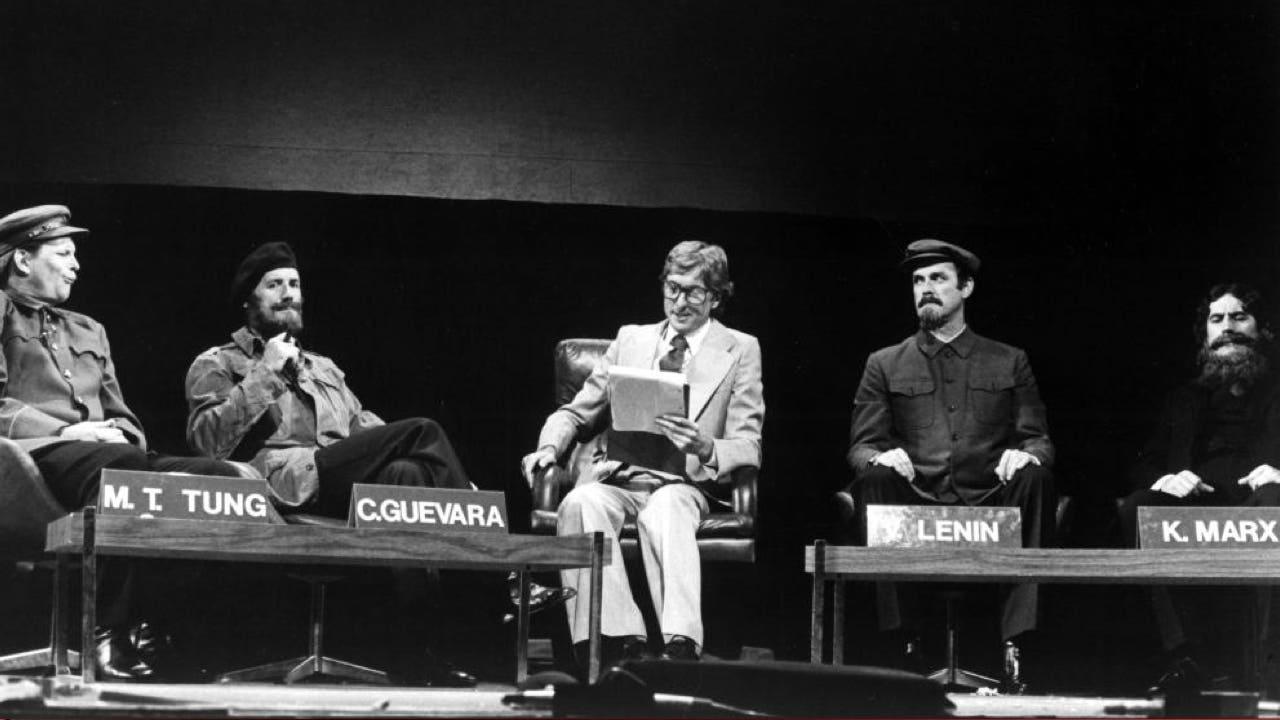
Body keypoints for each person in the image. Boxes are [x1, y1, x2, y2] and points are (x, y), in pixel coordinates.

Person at [184, 241, 479, 687]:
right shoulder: (218, 363)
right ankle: (488, 560)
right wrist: (265, 372)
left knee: (407, 474)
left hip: (340, 478)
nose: (288, 293)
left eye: (294, 284)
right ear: (249, 299)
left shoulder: (323, 367)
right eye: (274, 285)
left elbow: (366, 429)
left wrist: (438, 471)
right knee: (423, 430)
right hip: (283, 485)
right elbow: (207, 445)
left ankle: (416, 652)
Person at [0, 204, 243, 681]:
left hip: (108, 456)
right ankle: (106, 633)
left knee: (218, 479)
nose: (77, 264)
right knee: (123, 465)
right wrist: (65, 431)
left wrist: (115, 432)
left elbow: (124, 417)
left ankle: (156, 628)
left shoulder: (89, 329)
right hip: (30, 463)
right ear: (24, 261)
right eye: (64, 253)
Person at [521, 240, 764, 669]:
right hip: (621, 479)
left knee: (666, 509)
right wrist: (547, 448)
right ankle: (617, 642)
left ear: (716, 297)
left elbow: (749, 444)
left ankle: (679, 647)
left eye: (693, 292)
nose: (679, 301)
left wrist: (706, 446)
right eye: (672, 288)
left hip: (684, 485)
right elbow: (576, 412)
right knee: (579, 502)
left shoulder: (740, 349)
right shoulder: (631, 340)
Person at [846, 239, 1055, 692]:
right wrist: (880, 456)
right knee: (875, 477)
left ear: (967, 287)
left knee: (1035, 476)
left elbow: (1037, 438)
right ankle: (903, 642)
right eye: (918, 280)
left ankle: (1016, 644)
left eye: (937, 278)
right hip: (916, 501)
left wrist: (1027, 454)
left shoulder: (1009, 359)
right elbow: (861, 446)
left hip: (988, 501)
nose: (925, 288)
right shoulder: (884, 362)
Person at [1120, 282, 1280, 694]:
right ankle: (1185, 658)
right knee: (1141, 506)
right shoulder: (1183, 398)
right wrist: (1166, 480)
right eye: (1216, 319)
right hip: (1198, 510)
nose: (1227, 327)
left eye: (1239, 316)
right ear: (1204, 335)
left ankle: (1270, 665)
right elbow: (1145, 463)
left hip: (1262, 505)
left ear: (1262, 329)